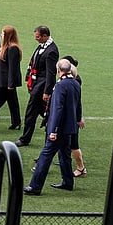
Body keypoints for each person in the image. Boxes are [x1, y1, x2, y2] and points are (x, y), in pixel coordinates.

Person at [23, 58, 80, 195]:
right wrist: (78, 119)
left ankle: (35, 186)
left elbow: (58, 109)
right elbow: (78, 105)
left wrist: (53, 130)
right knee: (65, 155)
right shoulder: (75, 84)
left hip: (59, 128)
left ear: (58, 70)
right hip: (69, 128)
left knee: (45, 156)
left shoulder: (60, 85)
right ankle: (68, 182)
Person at [15, 25, 58, 147]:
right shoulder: (43, 47)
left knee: (30, 112)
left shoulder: (51, 51)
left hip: (40, 87)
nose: (36, 39)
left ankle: (25, 139)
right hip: (37, 85)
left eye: (38, 37)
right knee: (44, 112)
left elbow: (51, 74)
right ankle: (52, 126)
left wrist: (47, 91)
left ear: (45, 36)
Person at [60, 55, 87, 177]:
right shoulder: (74, 80)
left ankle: (81, 168)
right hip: (71, 117)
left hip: (70, 118)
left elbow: (76, 102)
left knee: (73, 145)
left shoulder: (74, 82)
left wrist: (79, 118)